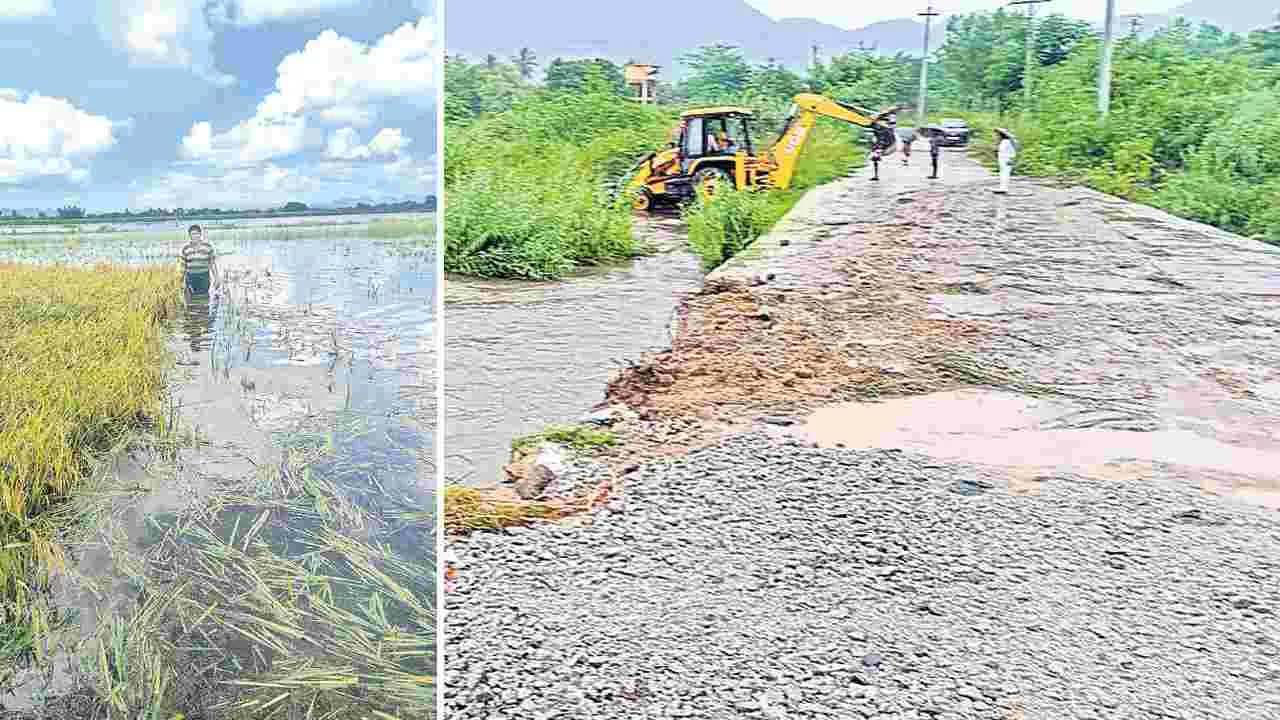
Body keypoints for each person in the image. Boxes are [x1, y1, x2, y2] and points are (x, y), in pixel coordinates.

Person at [180, 224, 217, 294]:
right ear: (189, 236)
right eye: (192, 234)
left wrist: (216, 278)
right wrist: (181, 281)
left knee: (204, 298)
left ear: (200, 234)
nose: (194, 236)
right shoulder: (186, 249)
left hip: (204, 277)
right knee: (190, 299)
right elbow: (183, 267)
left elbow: (212, 263)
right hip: (190, 277)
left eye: (196, 234)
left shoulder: (208, 247)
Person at [995, 128, 1017, 194]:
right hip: (1003, 160)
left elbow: (1012, 152)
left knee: (1005, 174)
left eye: (998, 135)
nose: (997, 136)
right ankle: (1002, 187)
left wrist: (1011, 159)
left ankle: (1004, 188)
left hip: (1007, 160)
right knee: (1002, 174)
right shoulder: (1004, 142)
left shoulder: (1007, 142)